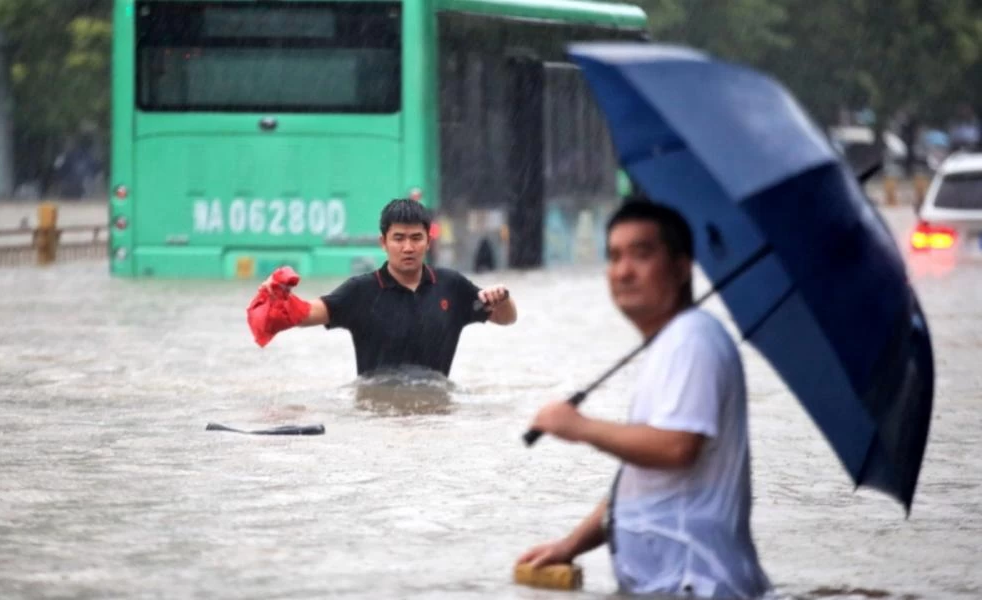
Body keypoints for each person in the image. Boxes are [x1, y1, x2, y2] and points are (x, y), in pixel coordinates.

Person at [516, 199, 770, 599]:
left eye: (642, 254)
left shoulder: (692, 340)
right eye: (614, 256)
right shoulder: (669, 345)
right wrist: (571, 545)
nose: (623, 271)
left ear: (683, 266)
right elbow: (641, 483)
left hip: (697, 585)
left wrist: (580, 428)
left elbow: (676, 447)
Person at [258, 198, 517, 378]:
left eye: (416, 238)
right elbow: (307, 313)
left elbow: (506, 319)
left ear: (428, 241)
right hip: (378, 415)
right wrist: (277, 296)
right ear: (383, 242)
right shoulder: (360, 291)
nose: (408, 247)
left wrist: (503, 298)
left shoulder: (451, 286)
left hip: (435, 419)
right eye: (399, 239)